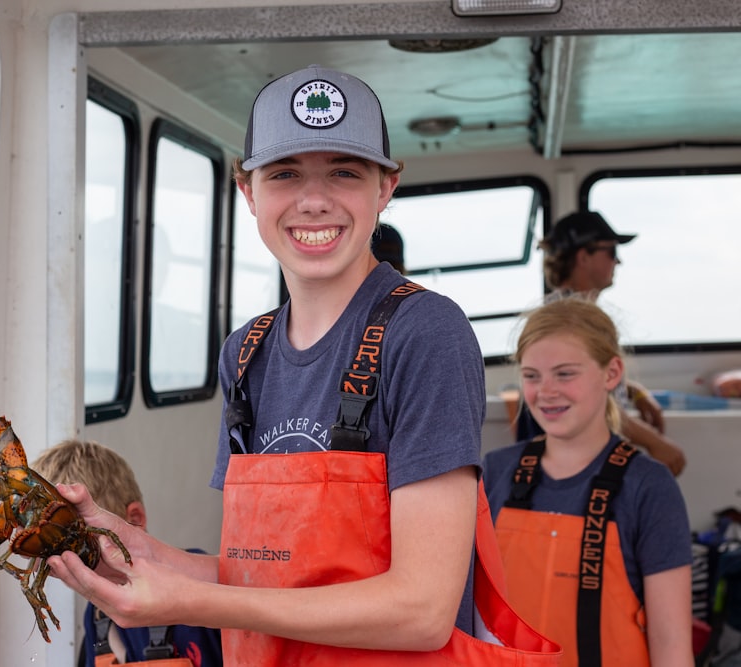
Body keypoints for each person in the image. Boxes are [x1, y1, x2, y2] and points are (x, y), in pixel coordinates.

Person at [48, 65, 560, 665]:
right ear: (248, 191)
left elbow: (422, 610)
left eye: (344, 172)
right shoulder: (245, 353)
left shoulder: (426, 333)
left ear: (385, 188)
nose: (313, 201)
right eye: (285, 173)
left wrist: (189, 601)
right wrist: (133, 549)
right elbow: (262, 574)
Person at [484, 297, 694, 666]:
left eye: (565, 374)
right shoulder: (495, 472)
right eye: (532, 376)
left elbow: (672, 645)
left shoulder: (649, 487)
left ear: (612, 373)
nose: (546, 391)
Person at [512, 209, 687, 476]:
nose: (618, 262)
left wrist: (632, 390)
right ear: (584, 256)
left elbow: (586, 383)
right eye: (611, 252)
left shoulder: (566, 315)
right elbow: (591, 404)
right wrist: (656, 443)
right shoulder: (567, 323)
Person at [31, 439, 223, 666]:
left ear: (134, 519)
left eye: (72, 539)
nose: (63, 558)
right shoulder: (97, 618)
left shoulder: (208, 581)